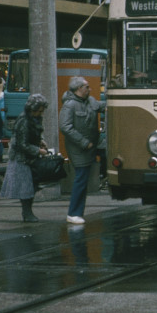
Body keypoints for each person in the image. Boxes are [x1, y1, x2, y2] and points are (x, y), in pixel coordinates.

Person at [59, 77, 106, 225]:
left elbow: (103, 106)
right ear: (79, 88)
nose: (89, 89)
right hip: (78, 149)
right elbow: (65, 127)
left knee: (83, 179)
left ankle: (77, 212)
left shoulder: (90, 101)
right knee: (80, 179)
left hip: (90, 146)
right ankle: (74, 213)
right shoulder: (70, 105)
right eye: (87, 87)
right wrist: (84, 142)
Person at [0, 93, 50, 222]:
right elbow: (22, 144)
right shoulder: (24, 121)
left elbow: (33, 136)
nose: (40, 114)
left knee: (31, 186)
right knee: (25, 187)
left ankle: (28, 212)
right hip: (22, 158)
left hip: (30, 157)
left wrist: (40, 141)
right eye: (38, 111)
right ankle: (27, 213)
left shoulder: (35, 119)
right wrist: (38, 150)